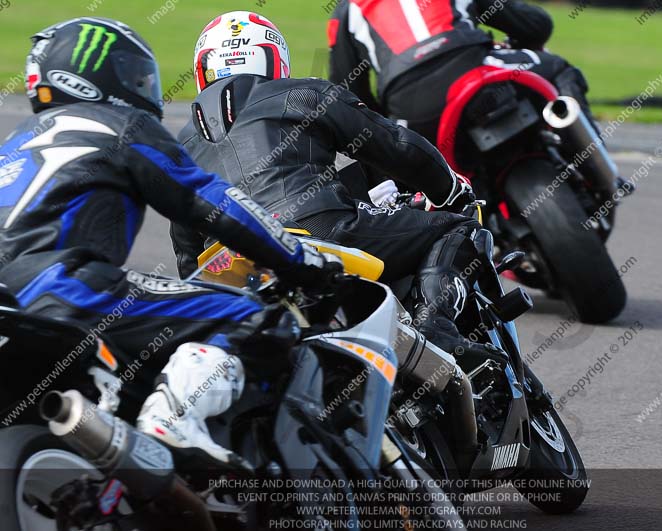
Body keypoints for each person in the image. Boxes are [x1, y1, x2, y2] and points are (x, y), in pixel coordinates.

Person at [0, 17, 336, 466]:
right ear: (90, 75)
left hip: (10, 305)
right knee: (254, 317)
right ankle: (173, 419)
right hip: (61, 286)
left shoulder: (14, 143)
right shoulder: (122, 123)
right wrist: (298, 257)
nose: (144, 87)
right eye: (133, 74)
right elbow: (209, 201)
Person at [171, 11, 494, 359]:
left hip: (227, 264)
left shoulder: (178, 146)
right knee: (460, 230)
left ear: (203, 68)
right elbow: (397, 146)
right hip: (314, 231)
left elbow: (187, 248)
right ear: (274, 59)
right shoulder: (304, 92)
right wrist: (449, 189)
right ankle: (437, 332)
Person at [328, 0, 594, 144]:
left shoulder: (344, 12)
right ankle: (588, 160)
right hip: (471, 67)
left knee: (399, 185)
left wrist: (388, 125)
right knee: (558, 68)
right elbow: (534, 27)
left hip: (409, 105)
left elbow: (349, 95)